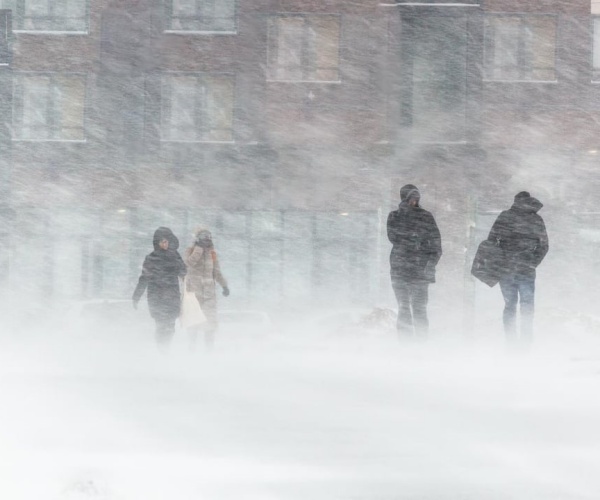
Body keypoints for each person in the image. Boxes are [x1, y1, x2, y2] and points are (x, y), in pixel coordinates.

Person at [488, 191, 549, 343]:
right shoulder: (535, 219)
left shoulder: (505, 217)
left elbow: (491, 241)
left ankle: (511, 341)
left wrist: (500, 259)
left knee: (510, 305)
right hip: (526, 269)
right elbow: (544, 246)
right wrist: (532, 262)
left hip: (506, 269)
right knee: (527, 305)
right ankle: (526, 340)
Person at [387, 184, 442, 338]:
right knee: (404, 308)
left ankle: (421, 343)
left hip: (419, 272)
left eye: (416, 198)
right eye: (411, 198)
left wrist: (429, 264)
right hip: (400, 270)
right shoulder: (395, 216)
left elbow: (436, 245)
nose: (414, 201)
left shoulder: (426, 216)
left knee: (419, 309)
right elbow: (394, 238)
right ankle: (406, 344)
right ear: (404, 198)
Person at [132, 227, 186, 346]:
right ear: (157, 243)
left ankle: (165, 350)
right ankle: (161, 350)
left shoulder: (175, 256)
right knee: (161, 327)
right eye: (162, 241)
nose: (165, 244)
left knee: (171, 327)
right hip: (157, 298)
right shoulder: (151, 258)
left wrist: (175, 260)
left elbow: (183, 272)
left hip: (172, 297)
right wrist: (136, 296)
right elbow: (144, 278)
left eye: (166, 241)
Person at [184, 228, 229, 349]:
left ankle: (209, 349)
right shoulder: (191, 250)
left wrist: (224, 285)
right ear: (198, 239)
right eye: (204, 237)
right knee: (193, 322)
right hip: (194, 292)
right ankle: (191, 348)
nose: (206, 240)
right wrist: (198, 249)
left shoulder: (212, 253)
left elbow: (216, 271)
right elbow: (189, 264)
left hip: (209, 294)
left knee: (210, 322)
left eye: (208, 237)